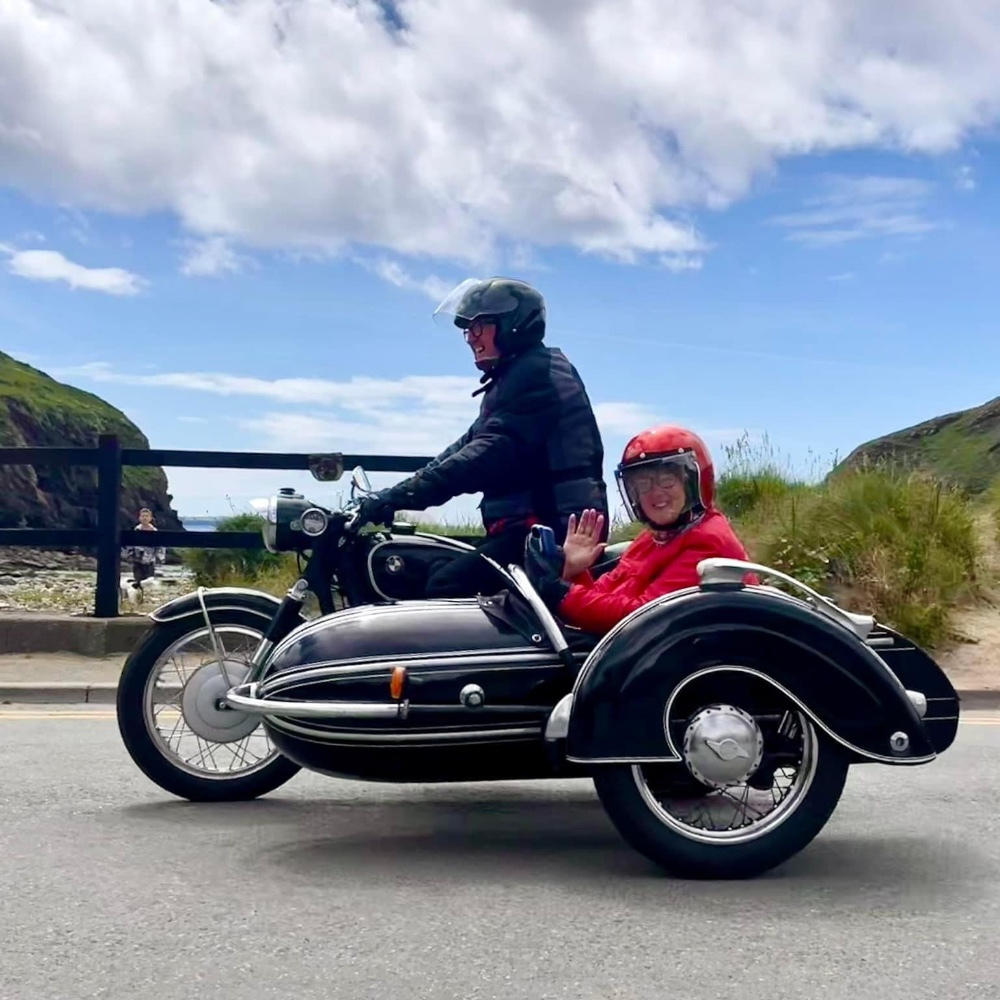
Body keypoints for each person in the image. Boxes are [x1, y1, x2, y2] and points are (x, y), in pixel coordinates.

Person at [356, 276, 608, 598]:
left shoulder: (539, 374)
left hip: (554, 533)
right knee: (427, 565)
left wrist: (399, 498)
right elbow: (465, 446)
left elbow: (487, 454)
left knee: (446, 585)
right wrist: (397, 492)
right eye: (468, 329)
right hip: (528, 529)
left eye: (479, 326)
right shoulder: (515, 377)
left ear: (513, 325)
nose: (471, 338)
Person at [525, 424, 757, 636]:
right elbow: (605, 599)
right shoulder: (652, 539)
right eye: (644, 485)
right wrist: (575, 572)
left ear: (692, 483)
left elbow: (644, 616)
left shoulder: (707, 541)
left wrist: (561, 593)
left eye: (667, 481)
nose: (655, 493)